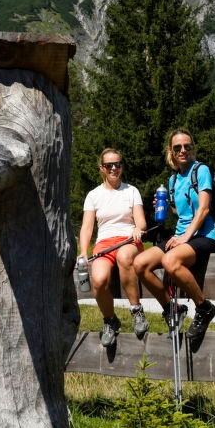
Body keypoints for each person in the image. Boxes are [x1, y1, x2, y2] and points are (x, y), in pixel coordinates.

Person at [133, 129, 215, 354]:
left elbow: (204, 208)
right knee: (140, 264)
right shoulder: (172, 180)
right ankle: (172, 309)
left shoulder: (201, 170)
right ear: (171, 151)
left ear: (193, 148)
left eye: (187, 146)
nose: (183, 151)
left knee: (171, 262)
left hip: (204, 236)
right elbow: (179, 211)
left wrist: (185, 238)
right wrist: (163, 206)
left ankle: (204, 307)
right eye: (178, 147)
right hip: (181, 236)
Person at [78, 148, 149, 347]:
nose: (114, 168)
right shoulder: (93, 195)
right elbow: (87, 227)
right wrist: (84, 251)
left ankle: (136, 311)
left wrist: (137, 229)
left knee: (125, 258)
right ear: (102, 168)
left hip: (128, 240)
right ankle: (110, 320)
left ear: (122, 167)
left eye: (118, 164)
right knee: (99, 281)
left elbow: (141, 222)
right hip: (104, 244)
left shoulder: (131, 191)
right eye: (109, 165)